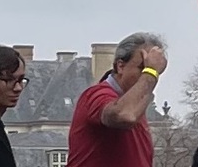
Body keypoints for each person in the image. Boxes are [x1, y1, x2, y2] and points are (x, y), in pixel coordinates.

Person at [70, 33, 167, 167]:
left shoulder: (135, 104)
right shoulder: (96, 95)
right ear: (120, 66)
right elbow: (124, 116)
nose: (149, 76)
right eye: (142, 68)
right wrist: (150, 72)